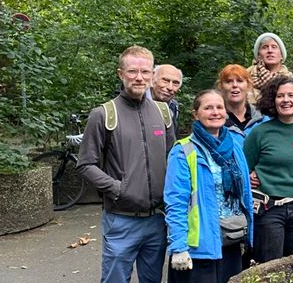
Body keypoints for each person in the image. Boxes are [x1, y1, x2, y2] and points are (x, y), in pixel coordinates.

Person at [76, 46, 176, 283]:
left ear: (152, 75)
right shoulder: (103, 115)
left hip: (157, 219)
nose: (139, 77)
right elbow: (85, 164)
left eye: (145, 71)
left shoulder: (163, 113)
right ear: (120, 74)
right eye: (132, 71)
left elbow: (172, 158)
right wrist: (118, 189)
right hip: (121, 219)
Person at [165, 90, 254, 283]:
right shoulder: (183, 151)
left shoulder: (234, 147)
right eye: (208, 108)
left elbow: (244, 196)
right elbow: (176, 203)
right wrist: (178, 247)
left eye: (219, 107)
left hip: (231, 240)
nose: (215, 112)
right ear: (196, 114)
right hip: (199, 247)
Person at [244, 76, 293, 262]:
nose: (286, 100)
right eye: (280, 96)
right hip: (268, 209)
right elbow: (243, 169)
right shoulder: (259, 132)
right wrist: (249, 176)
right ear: (273, 100)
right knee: (268, 268)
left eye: (291, 95)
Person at [216, 64, 263, 135]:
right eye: (229, 81)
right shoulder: (215, 118)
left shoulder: (262, 117)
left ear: (248, 85)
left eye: (240, 81)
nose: (235, 85)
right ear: (221, 86)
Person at [247, 32, 292, 104]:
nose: (270, 51)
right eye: (265, 47)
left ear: (281, 56)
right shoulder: (245, 77)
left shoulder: (290, 79)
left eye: (274, 47)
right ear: (258, 55)